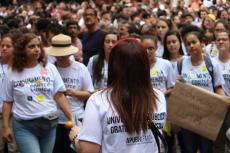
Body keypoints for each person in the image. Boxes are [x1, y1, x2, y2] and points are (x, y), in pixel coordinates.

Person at [69, 38, 167, 153]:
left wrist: (76, 137)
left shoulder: (98, 100)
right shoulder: (158, 96)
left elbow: (89, 150)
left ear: (113, 65)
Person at [2, 33, 72, 153]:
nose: (36, 49)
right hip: (24, 126)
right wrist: (5, 126)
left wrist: (72, 118)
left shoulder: (50, 68)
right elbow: (7, 102)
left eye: (38, 46)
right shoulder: (12, 72)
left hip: (49, 125)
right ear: (22, 50)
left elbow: (59, 96)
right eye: (31, 46)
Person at [177, 31, 225, 153]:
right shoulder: (181, 63)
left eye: (194, 42)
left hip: (207, 116)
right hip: (187, 116)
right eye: (188, 44)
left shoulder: (212, 63)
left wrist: (222, 104)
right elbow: (177, 87)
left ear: (202, 43)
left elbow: (218, 87)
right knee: (189, 149)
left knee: (206, 149)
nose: (191, 46)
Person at [45, 34, 94, 153]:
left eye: (64, 54)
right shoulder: (49, 69)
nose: (61, 57)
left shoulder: (80, 68)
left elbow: (90, 93)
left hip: (77, 118)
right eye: (58, 54)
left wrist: (74, 93)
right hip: (54, 121)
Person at [0, 33, 20, 153]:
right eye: (2, 45)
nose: (4, 48)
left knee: (15, 149)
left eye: (8, 46)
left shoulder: (20, 67)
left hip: (15, 115)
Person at [213, 29, 230, 153]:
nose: (221, 41)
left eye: (224, 39)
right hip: (217, 108)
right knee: (218, 142)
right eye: (218, 39)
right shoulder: (211, 62)